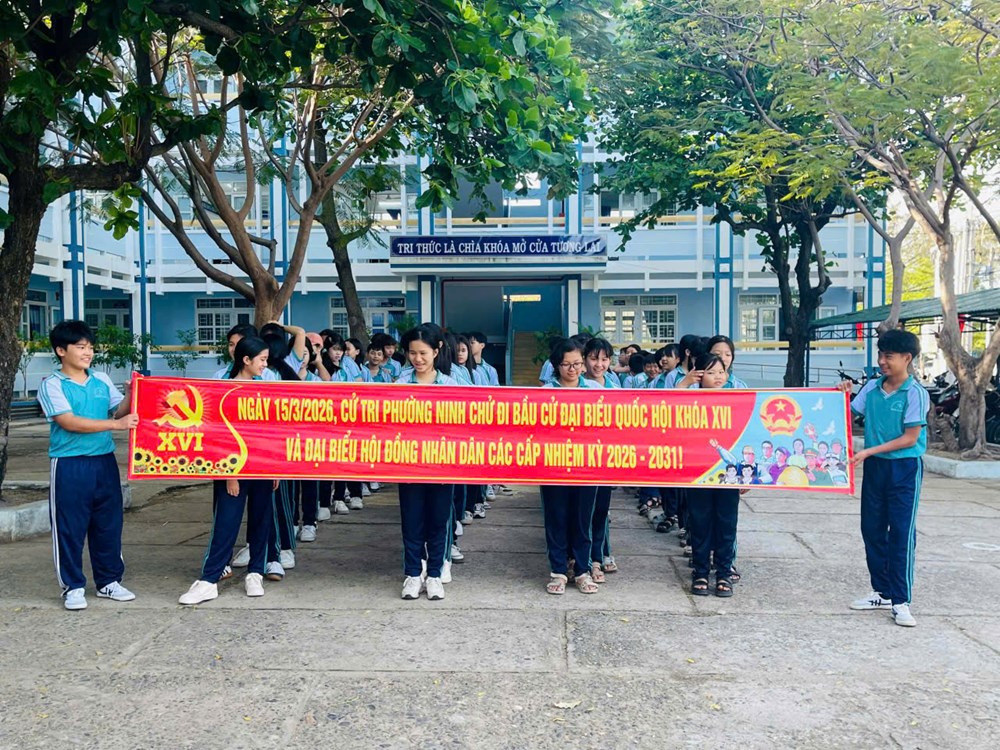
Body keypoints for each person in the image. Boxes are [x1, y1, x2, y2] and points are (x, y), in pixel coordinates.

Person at [37, 320, 140, 611]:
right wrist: (116, 425)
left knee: (108, 524)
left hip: (104, 461)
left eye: (91, 347)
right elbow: (68, 422)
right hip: (69, 465)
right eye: (81, 347)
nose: (88, 353)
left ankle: (109, 581)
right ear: (61, 350)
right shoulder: (52, 384)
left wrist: (130, 395)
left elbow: (118, 410)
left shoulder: (100, 379)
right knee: (69, 527)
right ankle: (73, 586)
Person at [841, 329, 929, 628]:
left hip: (904, 469)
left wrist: (868, 450)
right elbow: (846, 415)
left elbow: (910, 438)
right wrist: (842, 394)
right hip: (876, 468)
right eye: (880, 355)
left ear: (907, 358)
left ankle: (901, 600)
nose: (882, 361)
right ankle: (882, 592)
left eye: (888, 356)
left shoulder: (915, 393)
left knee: (901, 533)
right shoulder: (872, 388)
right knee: (872, 529)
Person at [180, 337, 277, 604]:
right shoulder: (224, 388)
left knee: (261, 521)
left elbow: (271, 432)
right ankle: (209, 578)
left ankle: (255, 572)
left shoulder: (265, 388)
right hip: (232, 468)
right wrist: (229, 474)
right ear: (246, 360)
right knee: (226, 523)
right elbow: (217, 435)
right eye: (262, 360)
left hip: (261, 467)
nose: (265, 365)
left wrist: (275, 468)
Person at [395, 324, 458, 601]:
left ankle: (434, 575)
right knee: (412, 521)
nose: (418, 359)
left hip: (442, 465)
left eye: (423, 353)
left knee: (438, 521)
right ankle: (412, 574)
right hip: (408, 464)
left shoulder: (451, 386)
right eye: (412, 353)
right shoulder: (399, 385)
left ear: (436, 351)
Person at [685, 351, 748, 598]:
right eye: (711, 372)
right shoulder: (689, 399)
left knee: (726, 524)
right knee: (699, 523)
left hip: (728, 477)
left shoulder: (736, 399)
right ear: (699, 375)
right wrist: (685, 382)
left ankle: (724, 573)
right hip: (697, 474)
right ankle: (700, 571)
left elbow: (748, 437)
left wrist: (746, 476)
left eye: (721, 372)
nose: (718, 377)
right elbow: (666, 407)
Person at [540, 338, 600, 595]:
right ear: (557, 366)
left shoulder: (595, 390)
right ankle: (558, 571)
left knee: (582, 519)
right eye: (566, 364)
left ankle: (583, 570)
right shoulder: (545, 393)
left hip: (586, 465)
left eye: (577, 363)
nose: (573, 369)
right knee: (557, 517)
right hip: (553, 465)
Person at [582, 337, 620, 581]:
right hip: (581, 460)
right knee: (582, 513)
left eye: (605, 359)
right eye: (594, 358)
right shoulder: (577, 385)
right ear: (584, 359)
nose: (599, 364)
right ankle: (585, 560)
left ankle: (597, 557)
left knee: (601, 511)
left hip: (604, 460)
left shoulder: (615, 387)